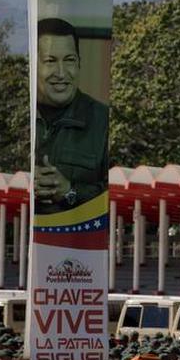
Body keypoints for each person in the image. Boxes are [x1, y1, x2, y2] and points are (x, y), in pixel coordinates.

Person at [33, 17, 109, 215]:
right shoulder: (8, 116)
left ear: (79, 64)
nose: (61, 73)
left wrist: (70, 192)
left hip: (78, 240)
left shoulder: (104, 122)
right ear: (32, 66)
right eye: (50, 61)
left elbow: (119, 194)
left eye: (69, 60)